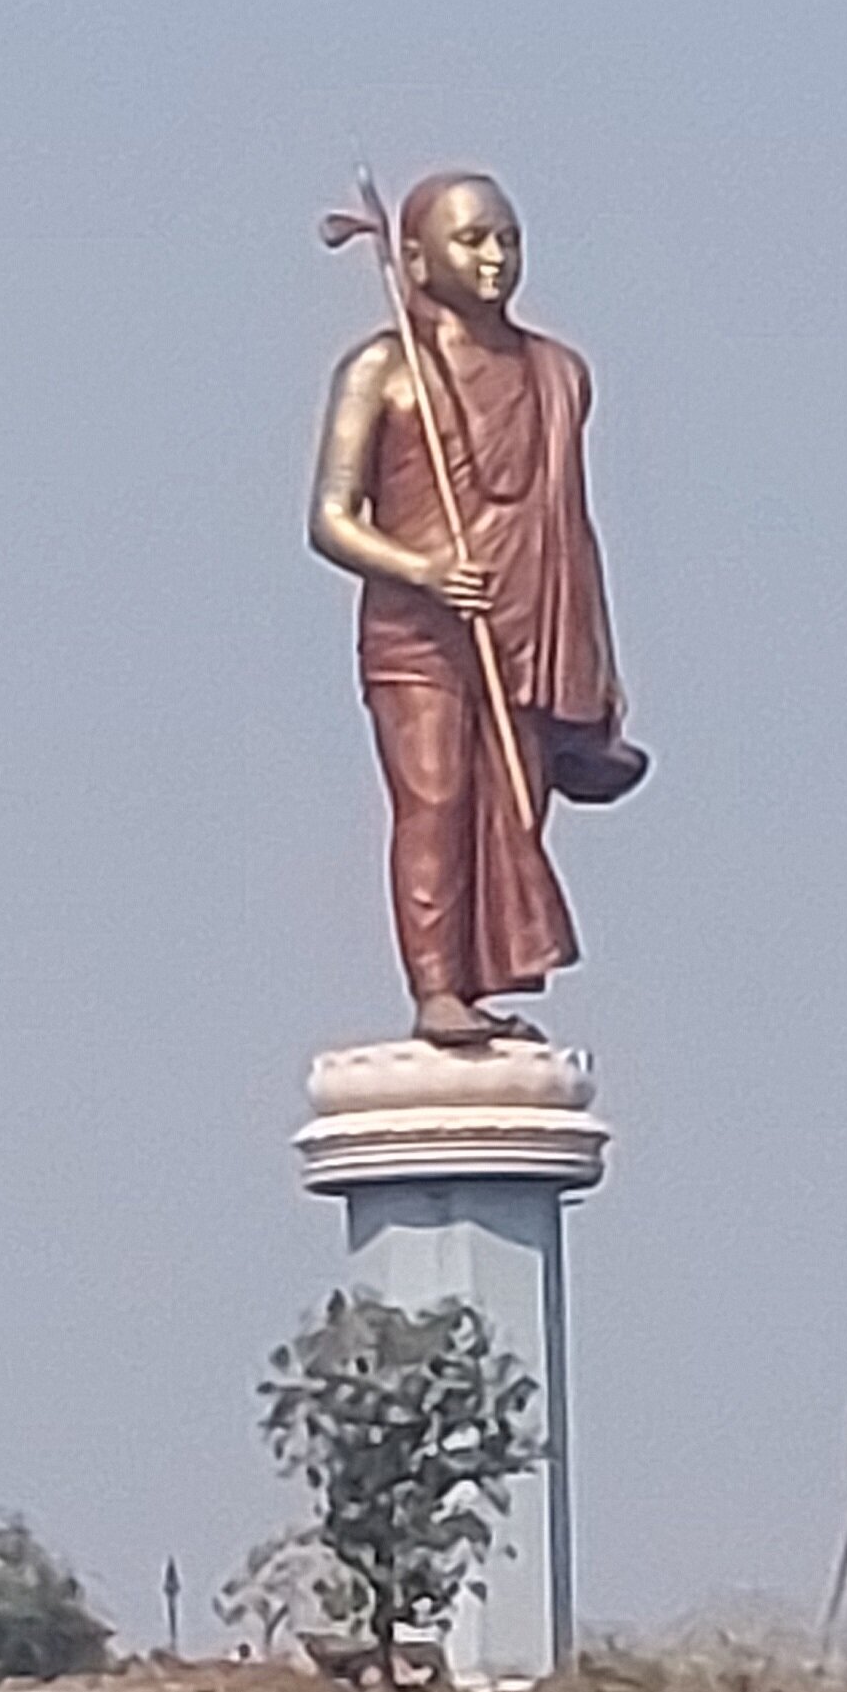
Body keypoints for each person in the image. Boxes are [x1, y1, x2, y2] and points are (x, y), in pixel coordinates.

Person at [309, 171, 645, 1048]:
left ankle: (482, 978)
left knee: (514, 811)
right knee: (435, 801)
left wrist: (598, 661)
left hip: (526, 625)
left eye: (508, 239)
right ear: (416, 259)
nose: (495, 258)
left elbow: (571, 523)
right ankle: (435, 992)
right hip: (419, 636)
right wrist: (421, 568)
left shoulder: (557, 372)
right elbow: (332, 520)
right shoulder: (384, 372)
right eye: (472, 241)